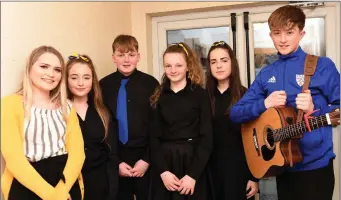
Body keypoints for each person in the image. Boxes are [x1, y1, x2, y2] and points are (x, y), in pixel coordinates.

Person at [230, 5, 340, 200]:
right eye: (276, 33)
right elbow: (235, 113)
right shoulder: (266, 74)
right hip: (282, 167)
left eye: (289, 33)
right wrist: (264, 104)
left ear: (301, 33)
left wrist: (315, 108)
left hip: (316, 168)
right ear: (270, 35)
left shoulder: (322, 66)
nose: (282, 39)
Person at [1, 46, 85, 200]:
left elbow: (78, 154)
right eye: (44, 66)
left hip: (65, 182)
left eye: (57, 69)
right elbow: (14, 158)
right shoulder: (9, 104)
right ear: (30, 67)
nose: (51, 74)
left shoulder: (67, 107)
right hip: (27, 184)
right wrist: (52, 196)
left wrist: (62, 189)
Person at [149, 42, 213, 200]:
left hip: (193, 163)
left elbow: (207, 138)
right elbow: (153, 138)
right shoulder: (158, 96)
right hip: (165, 164)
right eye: (168, 65)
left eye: (178, 65)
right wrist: (163, 172)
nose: (173, 70)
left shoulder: (200, 95)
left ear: (188, 66)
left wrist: (192, 176)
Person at [100, 34, 159, 200]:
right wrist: (116, 162)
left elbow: (158, 125)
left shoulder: (151, 84)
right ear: (113, 58)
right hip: (116, 158)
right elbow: (101, 127)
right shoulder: (103, 86)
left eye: (131, 55)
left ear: (138, 57)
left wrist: (147, 160)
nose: (126, 60)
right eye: (121, 55)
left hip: (146, 158)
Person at [206, 41, 259, 200]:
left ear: (232, 63)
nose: (219, 66)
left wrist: (254, 177)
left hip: (238, 172)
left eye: (224, 60)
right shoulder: (203, 97)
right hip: (208, 172)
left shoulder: (246, 96)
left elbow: (254, 139)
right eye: (213, 62)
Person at [66, 53, 119, 200]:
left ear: (93, 80)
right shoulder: (59, 111)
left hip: (101, 184)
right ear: (66, 80)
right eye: (74, 77)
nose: (80, 83)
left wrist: (112, 190)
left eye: (86, 77)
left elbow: (112, 154)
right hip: (71, 184)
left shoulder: (103, 111)